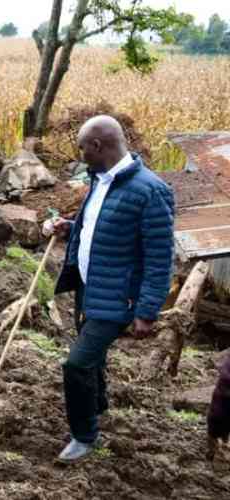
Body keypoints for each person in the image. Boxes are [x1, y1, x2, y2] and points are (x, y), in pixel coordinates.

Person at [49, 115, 175, 461]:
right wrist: (70, 227)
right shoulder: (101, 180)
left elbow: (160, 257)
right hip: (90, 288)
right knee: (92, 361)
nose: (80, 155)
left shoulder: (150, 191)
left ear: (97, 146)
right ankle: (97, 406)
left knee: (76, 365)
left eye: (81, 148)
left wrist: (147, 311)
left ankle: (84, 436)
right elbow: (101, 225)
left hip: (119, 297)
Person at [208, 354, 230, 460]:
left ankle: (224, 444)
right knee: (217, 419)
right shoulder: (227, 362)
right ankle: (214, 447)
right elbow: (225, 375)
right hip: (222, 397)